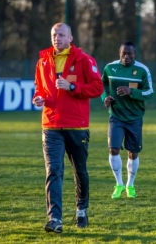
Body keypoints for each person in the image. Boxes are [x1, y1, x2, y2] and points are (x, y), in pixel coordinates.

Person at [32, 23, 103, 233]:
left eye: (61, 35)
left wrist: (73, 87)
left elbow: (97, 87)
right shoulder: (43, 61)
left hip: (77, 126)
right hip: (51, 125)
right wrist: (39, 98)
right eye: (54, 34)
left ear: (71, 38)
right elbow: (40, 88)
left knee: (79, 170)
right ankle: (55, 219)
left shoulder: (84, 60)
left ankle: (81, 210)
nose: (57, 38)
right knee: (53, 170)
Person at [101, 41, 154, 199]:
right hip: (116, 116)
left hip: (134, 118)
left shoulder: (142, 70)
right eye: (124, 53)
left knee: (133, 152)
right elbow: (101, 85)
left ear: (135, 53)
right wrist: (105, 98)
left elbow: (150, 92)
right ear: (119, 52)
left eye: (130, 53)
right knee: (113, 149)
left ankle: (130, 185)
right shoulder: (110, 68)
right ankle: (119, 184)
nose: (127, 56)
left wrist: (131, 91)